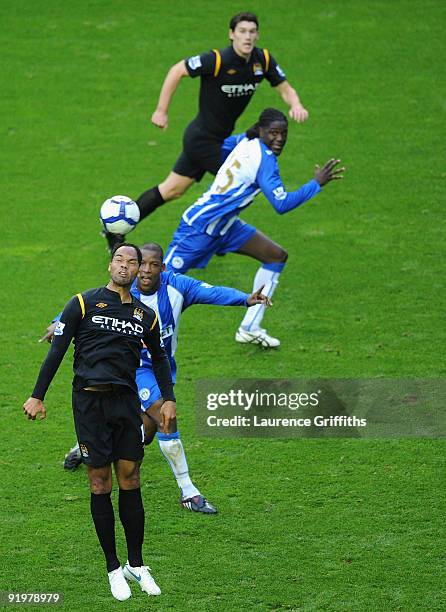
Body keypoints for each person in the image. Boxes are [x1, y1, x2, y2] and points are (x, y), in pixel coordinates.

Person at [44, 243, 270, 512]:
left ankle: (91, 446)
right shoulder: (126, 293)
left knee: (146, 432)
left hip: (162, 369)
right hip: (132, 370)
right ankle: (189, 492)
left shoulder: (178, 287)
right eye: (144, 265)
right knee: (165, 417)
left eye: (154, 265)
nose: (147, 271)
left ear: (162, 267)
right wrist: (58, 321)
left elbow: (212, 293)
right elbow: (90, 304)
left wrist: (245, 298)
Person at [23, 244, 176, 602]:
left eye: (131, 262)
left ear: (139, 269)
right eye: (120, 260)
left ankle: (136, 565)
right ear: (110, 265)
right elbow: (56, 351)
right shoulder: (81, 303)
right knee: (99, 481)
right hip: (89, 403)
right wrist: (37, 395)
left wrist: (168, 398)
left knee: (131, 477)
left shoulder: (144, 315)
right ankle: (112, 568)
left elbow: (159, 358)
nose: (125, 266)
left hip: (125, 403)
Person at [103, 11, 309, 251]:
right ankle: (218, 239)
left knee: (171, 190)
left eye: (252, 32)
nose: (247, 37)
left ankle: (113, 231)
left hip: (217, 140)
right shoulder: (217, 60)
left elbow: (285, 88)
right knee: (238, 184)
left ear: (257, 35)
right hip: (202, 140)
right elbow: (176, 70)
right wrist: (161, 110)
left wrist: (296, 105)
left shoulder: (262, 60)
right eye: (242, 32)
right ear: (231, 34)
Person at [164, 108, 345, 348]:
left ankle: (249, 328)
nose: (279, 139)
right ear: (261, 131)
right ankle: (130, 326)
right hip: (198, 228)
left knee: (276, 256)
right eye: (273, 133)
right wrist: (316, 183)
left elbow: (220, 149)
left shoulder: (245, 139)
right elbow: (281, 204)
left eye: (283, 133)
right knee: (161, 280)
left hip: (227, 226)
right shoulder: (265, 160)